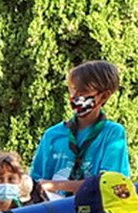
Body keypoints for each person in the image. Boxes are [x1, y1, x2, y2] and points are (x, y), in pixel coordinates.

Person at [31, 60, 130, 196]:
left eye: (83, 91)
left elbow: (108, 183)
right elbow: (37, 179)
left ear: (104, 95)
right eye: (72, 89)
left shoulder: (112, 134)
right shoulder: (53, 135)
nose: (75, 96)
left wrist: (55, 185)